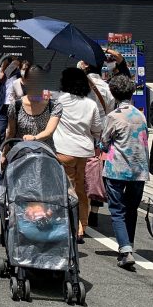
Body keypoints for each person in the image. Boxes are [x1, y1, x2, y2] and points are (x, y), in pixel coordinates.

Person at [100, 75, 149, 270]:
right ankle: (128, 245)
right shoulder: (140, 115)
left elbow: (104, 144)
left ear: (113, 93)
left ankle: (125, 249)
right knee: (131, 209)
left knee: (117, 210)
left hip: (117, 169)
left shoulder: (113, 116)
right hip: (139, 170)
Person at [53, 67, 104, 242]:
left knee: (65, 189)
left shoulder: (59, 100)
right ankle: (82, 226)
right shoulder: (90, 104)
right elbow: (98, 129)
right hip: (84, 152)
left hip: (63, 150)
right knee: (81, 189)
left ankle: (68, 225)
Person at [6, 65, 62, 144]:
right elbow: (10, 133)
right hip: (21, 152)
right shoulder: (15, 105)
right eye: (31, 80)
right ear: (24, 81)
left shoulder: (54, 105)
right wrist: (4, 153)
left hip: (45, 152)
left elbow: (49, 132)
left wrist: (34, 138)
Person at [0, 56, 19, 138]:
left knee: (14, 131)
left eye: (12, 66)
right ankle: (1, 149)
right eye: (8, 65)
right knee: (1, 130)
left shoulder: (19, 76)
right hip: (2, 107)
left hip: (14, 106)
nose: (10, 68)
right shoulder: (0, 78)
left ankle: (11, 148)